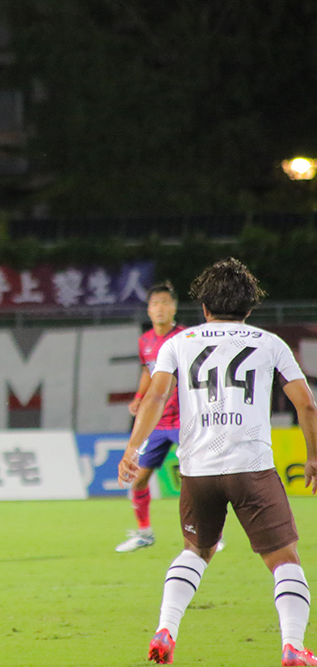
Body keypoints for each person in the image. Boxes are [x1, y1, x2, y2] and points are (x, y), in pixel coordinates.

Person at [118, 258, 317, 666]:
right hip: (251, 468)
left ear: (204, 307)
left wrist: (132, 448)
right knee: (284, 559)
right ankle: (293, 645)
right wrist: (313, 455)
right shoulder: (270, 343)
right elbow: (306, 404)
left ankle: (166, 629)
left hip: (198, 471)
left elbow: (156, 396)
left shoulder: (179, 343)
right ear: (249, 307)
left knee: (195, 550)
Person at [116, 282, 185, 552]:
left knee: (198, 477)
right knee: (139, 479)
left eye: (165, 303)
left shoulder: (185, 338)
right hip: (157, 423)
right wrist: (138, 397)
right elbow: (148, 371)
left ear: (174, 307)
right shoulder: (145, 341)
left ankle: (211, 533)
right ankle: (144, 533)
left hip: (184, 420)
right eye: (155, 303)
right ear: (148, 309)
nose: (160, 308)